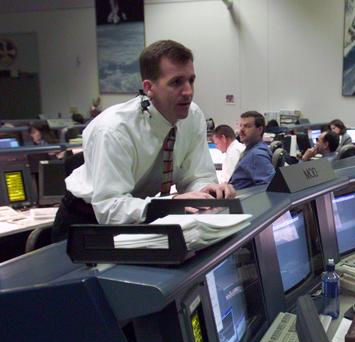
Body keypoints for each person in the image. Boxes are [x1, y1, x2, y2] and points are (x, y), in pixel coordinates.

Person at [52, 40, 234, 241]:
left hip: (140, 213)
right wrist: (171, 203)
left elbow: (194, 177)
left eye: (191, 80)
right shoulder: (114, 129)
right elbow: (109, 209)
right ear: (149, 87)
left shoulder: (193, 116)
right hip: (87, 221)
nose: (188, 91)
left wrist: (205, 190)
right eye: (176, 82)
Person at [228, 111, 275, 190]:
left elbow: (269, 188)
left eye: (247, 126)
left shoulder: (257, 155)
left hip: (240, 200)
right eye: (241, 126)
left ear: (259, 130)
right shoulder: (252, 149)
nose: (241, 130)